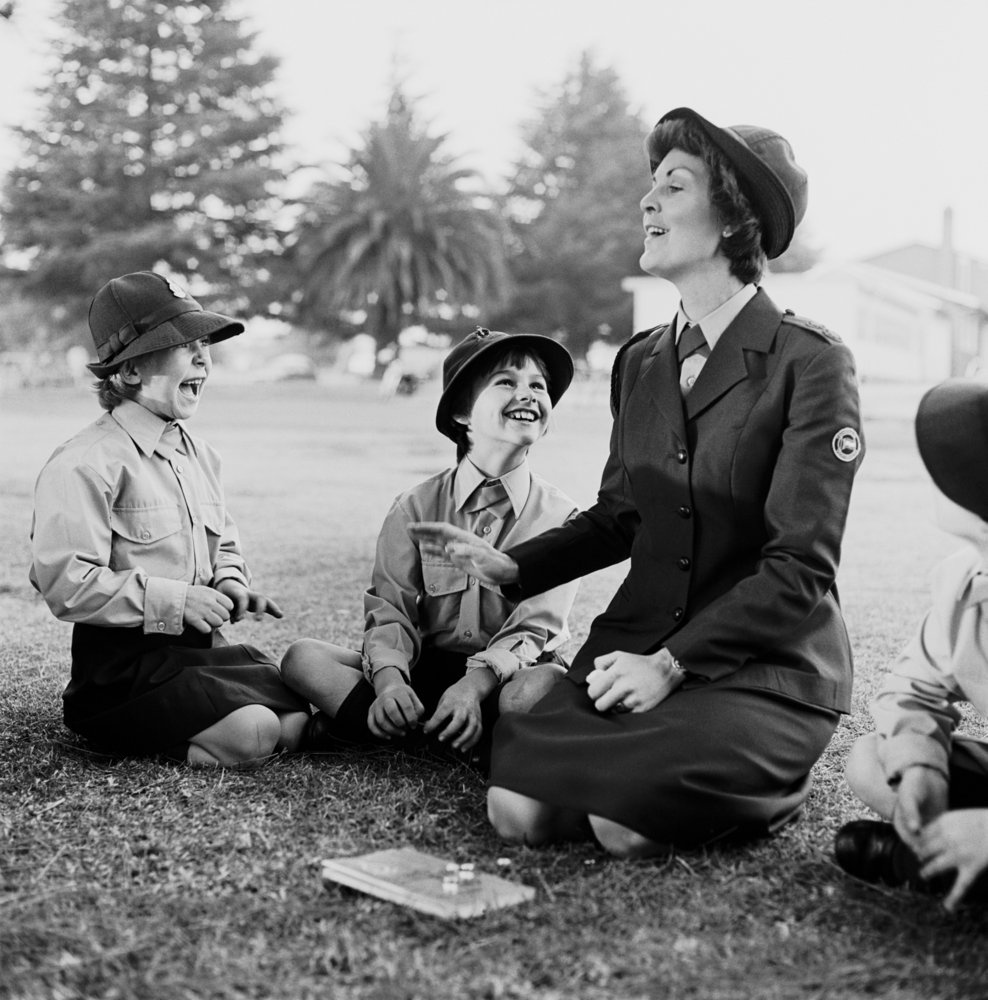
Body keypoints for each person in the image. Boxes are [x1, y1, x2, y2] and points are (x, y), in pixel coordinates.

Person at [411, 107, 864, 856]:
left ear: (733, 220)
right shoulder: (641, 360)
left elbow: (801, 565)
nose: (647, 202)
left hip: (760, 668)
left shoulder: (810, 362)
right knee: (517, 815)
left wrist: (672, 663)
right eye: (650, 185)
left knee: (623, 828)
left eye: (673, 186)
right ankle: (684, 766)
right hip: (634, 649)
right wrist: (512, 565)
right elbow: (622, 514)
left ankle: (770, 780)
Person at [30, 271, 310, 767]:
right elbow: (65, 583)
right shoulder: (86, 461)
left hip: (196, 655)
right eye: (184, 344)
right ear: (130, 372)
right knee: (257, 731)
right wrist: (175, 599)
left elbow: (223, 542)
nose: (204, 356)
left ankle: (214, 723)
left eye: (204, 342)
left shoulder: (201, 454)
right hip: (122, 672)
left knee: (295, 721)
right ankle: (131, 735)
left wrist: (230, 580)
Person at [282, 327, 578, 767]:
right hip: (426, 670)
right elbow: (391, 612)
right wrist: (388, 683)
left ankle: (394, 734)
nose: (528, 394)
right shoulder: (413, 507)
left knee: (539, 688)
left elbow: (533, 628)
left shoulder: (562, 516)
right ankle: (431, 730)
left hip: (505, 674)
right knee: (302, 657)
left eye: (538, 385)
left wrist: (472, 687)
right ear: (462, 413)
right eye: (507, 382)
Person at [836, 379, 988, 912]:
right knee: (872, 759)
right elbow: (915, 690)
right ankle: (952, 857)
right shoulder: (964, 580)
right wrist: (923, 767)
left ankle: (936, 867)